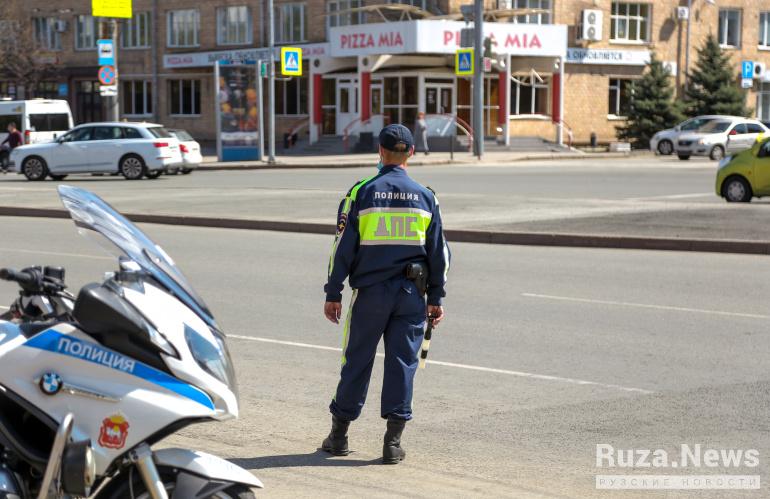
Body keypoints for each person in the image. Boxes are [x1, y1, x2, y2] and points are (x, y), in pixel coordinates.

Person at [322, 124, 451, 464]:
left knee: (356, 362)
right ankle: (392, 444)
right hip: (411, 296)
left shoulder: (361, 192)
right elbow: (439, 254)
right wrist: (436, 298)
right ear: (412, 153)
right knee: (403, 364)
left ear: (380, 151)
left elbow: (342, 248)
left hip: (370, 295)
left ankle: (339, 437)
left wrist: (333, 291)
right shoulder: (426, 197)